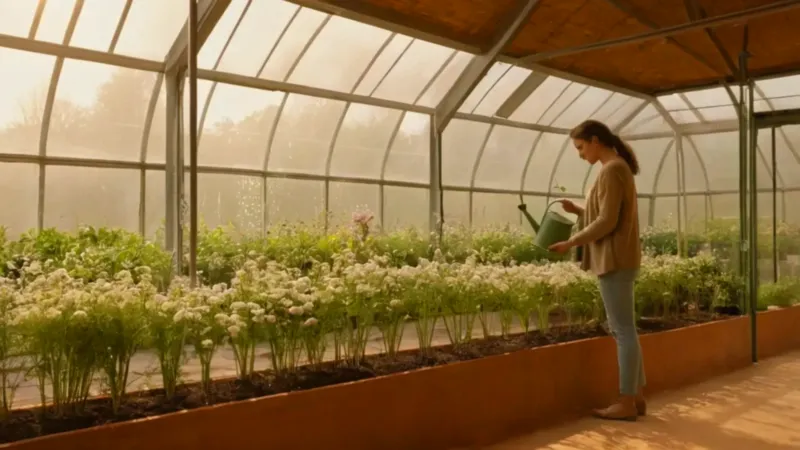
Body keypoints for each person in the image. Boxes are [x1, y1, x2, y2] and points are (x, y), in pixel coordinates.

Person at [548, 119, 646, 421]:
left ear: (595, 141)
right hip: (620, 258)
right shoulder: (616, 168)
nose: (580, 154)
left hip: (614, 259)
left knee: (622, 331)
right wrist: (578, 210)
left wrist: (571, 241)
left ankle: (626, 401)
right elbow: (608, 213)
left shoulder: (612, 169)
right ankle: (636, 397)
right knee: (626, 329)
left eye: (580, 147)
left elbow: (606, 221)